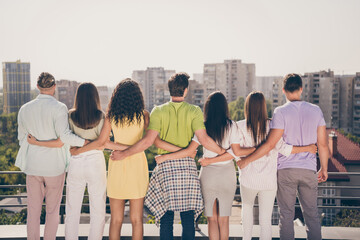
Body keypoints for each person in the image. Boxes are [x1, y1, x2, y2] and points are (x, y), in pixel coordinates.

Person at [111, 73, 226, 240]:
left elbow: (152, 141)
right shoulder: (194, 111)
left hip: (165, 168)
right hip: (187, 167)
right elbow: (203, 139)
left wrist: (124, 154)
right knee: (188, 218)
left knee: (166, 218)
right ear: (186, 90)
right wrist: (222, 151)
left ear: (169, 90)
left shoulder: (158, 111)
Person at [27, 82, 125, 239]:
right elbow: (103, 143)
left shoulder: (70, 115)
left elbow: (65, 138)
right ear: (95, 97)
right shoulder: (102, 117)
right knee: (98, 209)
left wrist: (77, 149)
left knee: (72, 210)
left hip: (76, 161)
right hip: (96, 163)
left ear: (78, 97)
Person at [238, 74, 329, 240]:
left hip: (285, 171)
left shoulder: (280, 112)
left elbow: (271, 144)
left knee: (286, 215)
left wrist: (246, 160)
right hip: (309, 170)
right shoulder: (316, 111)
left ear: (283, 90)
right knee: (312, 215)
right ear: (302, 89)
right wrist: (324, 168)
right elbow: (323, 144)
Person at [155, 91, 255, 240]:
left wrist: (164, 157)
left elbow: (189, 151)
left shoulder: (202, 127)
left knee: (212, 219)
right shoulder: (232, 125)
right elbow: (235, 153)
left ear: (208, 108)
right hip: (227, 174)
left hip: (208, 175)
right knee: (224, 219)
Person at [70, 79, 149, 240]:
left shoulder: (111, 116)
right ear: (138, 97)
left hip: (117, 166)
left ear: (117, 96)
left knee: (116, 220)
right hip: (137, 166)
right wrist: (130, 149)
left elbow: (102, 142)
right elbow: (145, 143)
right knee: (137, 220)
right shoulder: (144, 115)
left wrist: (79, 151)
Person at [16, 72, 87, 240]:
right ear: (54, 87)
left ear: (38, 87)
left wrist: (36, 144)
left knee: (33, 211)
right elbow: (64, 138)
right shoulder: (60, 108)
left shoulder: (24, 109)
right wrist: (89, 142)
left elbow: (22, 140)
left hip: (33, 167)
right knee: (52, 211)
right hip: (54, 168)